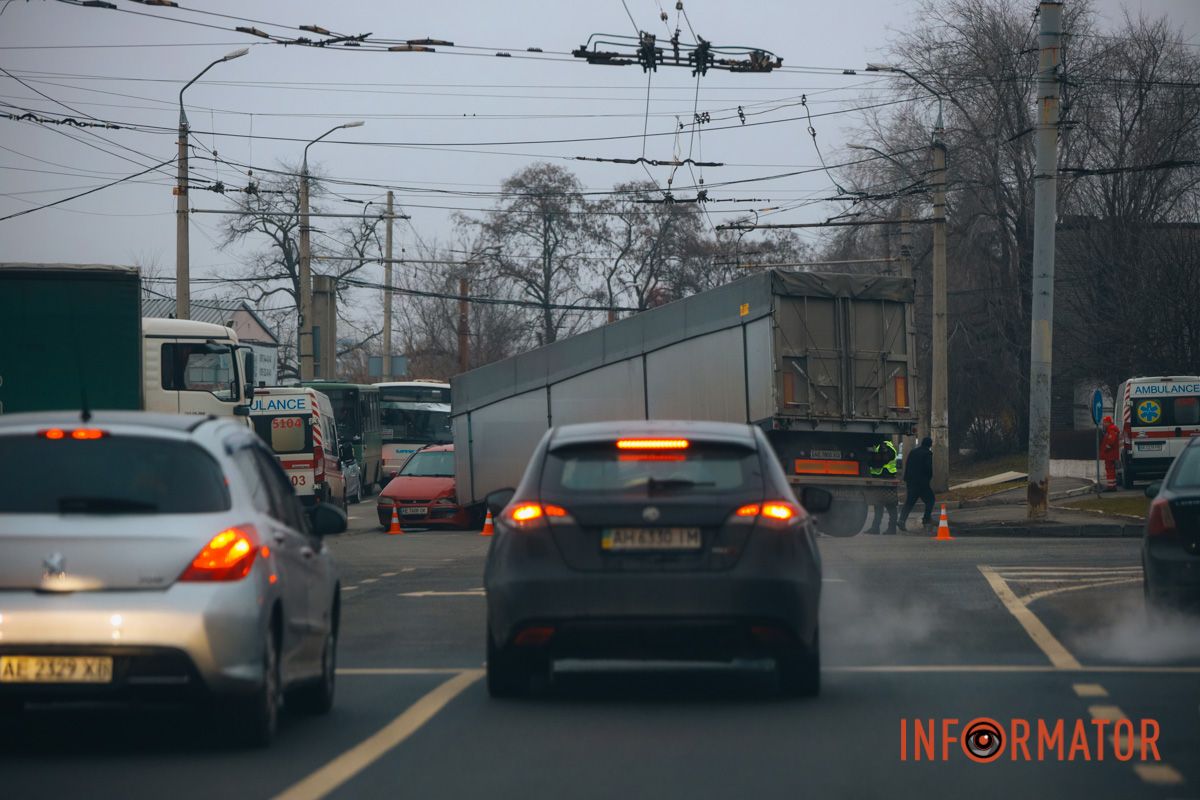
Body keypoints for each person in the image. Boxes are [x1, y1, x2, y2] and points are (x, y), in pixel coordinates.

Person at [898, 436, 935, 531]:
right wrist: (928, 478)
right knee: (930, 500)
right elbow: (928, 468)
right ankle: (926, 519)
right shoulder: (928, 453)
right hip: (922, 483)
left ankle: (901, 521)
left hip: (911, 482)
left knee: (909, 502)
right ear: (930, 445)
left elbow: (907, 464)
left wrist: (907, 479)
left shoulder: (913, 452)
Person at [866, 438, 899, 534]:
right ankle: (875, 528)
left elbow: (881, 461)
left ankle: (891, 529)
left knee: (890, 506)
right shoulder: (880, 446)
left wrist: (872, 461)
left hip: (886, 480)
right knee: (878, 505)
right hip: (881, 480)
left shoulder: (886, 447)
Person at [1100, 415, 1120, 492]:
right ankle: (1112, 485)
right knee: (1110, 469)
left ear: (1109, 422)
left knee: (1110, 470)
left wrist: (1105, 449)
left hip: (1110, 454)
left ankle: (1111, 487)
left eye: (1105, 422)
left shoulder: (1111, 429)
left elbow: (1111, 441)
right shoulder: (1110, 429)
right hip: (1110, 454)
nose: (1104, 424)